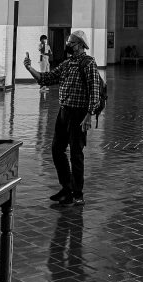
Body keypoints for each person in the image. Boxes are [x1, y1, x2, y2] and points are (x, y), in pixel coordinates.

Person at [24, 30, 103, 206]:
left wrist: (89, 115)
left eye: (72, 43)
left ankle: (78, 193)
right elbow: (46, 78)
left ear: (81, 45)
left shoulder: (88, 63)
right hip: (64, 113)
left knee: (76, 153)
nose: (68, 45)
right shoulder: (67, 64)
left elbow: (95, 91)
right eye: (68, 42)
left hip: (79, 114)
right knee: (56, 150)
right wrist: (29, 68)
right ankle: (66, 188)